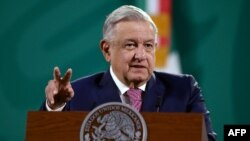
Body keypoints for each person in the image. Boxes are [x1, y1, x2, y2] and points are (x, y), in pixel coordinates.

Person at [40, 5, 216, 140]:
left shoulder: (184, 90)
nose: (140, 55)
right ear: (107, 50)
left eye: (148, 46)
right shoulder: (77, 95)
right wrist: (55, 108)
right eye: (130, 45)